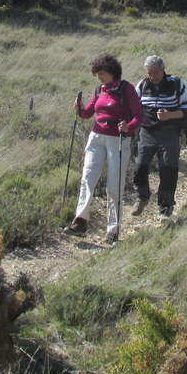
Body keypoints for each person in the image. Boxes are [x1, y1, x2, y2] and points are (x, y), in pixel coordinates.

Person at [66, 54, 143, 244]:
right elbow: (87, 114)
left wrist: (128, 127)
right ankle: (80, 221)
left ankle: (113, 228)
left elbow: (139, 116)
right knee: (88, 177)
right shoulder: (99, 89)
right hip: (96, 137)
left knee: (114, 184)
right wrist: (79, 108)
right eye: (97, 73)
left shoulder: (127, 89)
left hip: (118, 139)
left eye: (101, 73)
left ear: (111, 72)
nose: (99, 77)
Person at [132, 55, 187, 220]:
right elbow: (134, 107)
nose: (152, 77)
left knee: (168, 170)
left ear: (163, 70)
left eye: (155, 73)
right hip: (146, 133)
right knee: (139, 167)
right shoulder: (142, 85)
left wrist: (170, 115)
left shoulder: (176, 83)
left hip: (169, 133)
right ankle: (142, 196)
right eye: (149, 73)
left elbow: (186, 110)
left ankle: (166, 207)